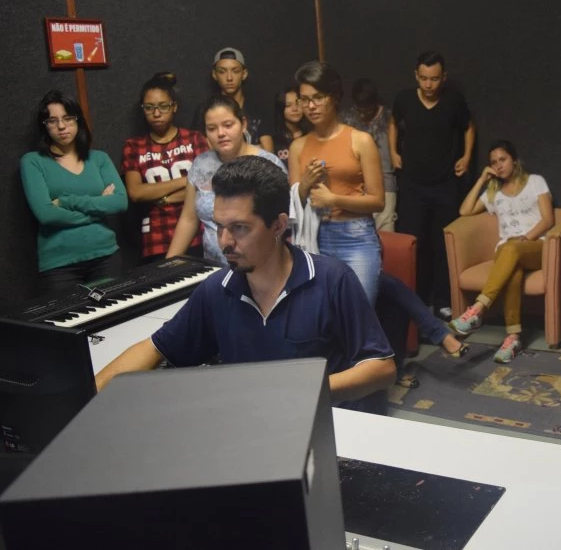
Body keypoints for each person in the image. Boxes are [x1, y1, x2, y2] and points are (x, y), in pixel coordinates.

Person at [95, 156, 396, 413]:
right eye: (219, 226)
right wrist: (85, 400)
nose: (225, 242)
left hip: (322, 425)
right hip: (252, 429)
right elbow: (154, 348)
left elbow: (381, 368)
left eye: (239, 228)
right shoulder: (217, 290)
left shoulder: (332, 279)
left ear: (278, 225)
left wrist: (299, 391)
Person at [448, 140, 554, 363]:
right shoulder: (493, 192)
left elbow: (548, 220)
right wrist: (482, 180)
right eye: (494, 162)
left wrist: (526, 238)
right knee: (512, 270)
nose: (499, 165)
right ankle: (513, 337)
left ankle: (478, 309)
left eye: (503, 160)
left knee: (512, 248)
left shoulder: (535, 181)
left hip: (535, 245)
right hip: (507, 250)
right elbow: (465, 210)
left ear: (514, 160)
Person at [288, 61, 385, 304]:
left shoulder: (360, 140)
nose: (311, 106)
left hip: (356, 236)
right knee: (321, 314)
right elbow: (292, 205)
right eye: (304, 99)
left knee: (358, 312)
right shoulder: (298, 146)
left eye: (318, 98)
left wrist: (333, 199)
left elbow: (378, 201)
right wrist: (304, 186)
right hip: (315, 237)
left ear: (334, 97)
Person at [389, 51, 476, 316]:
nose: (429, 84)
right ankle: (414, 301)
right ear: (416, 76)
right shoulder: (404, 99)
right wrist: (393, 151)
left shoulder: (453, 100)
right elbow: (393, 123)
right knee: (413, 243)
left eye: (434, 79)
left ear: (443, 77)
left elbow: (468, 127)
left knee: (442, 245)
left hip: (445, 184)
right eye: (424, 78)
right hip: (412, 185)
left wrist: (466, 157)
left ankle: (443, 301)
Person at [21, 90, 128, 293]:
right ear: (44, 126)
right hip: (59, 264)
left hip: (105, 256)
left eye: (67, 118)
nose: (61, 126)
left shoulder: (99, 158)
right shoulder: (33, 162)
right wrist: (98, 209)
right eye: (52, 121)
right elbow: (46, 214)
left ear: (78, 120)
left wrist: (65, 201)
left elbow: (120, 202)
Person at [167, 95, 284, 265]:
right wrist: (168, 265)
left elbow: (281, 227)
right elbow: (188, 219)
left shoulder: (268, 165)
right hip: (214, 267)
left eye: (228, 125)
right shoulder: (201, 165)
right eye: (212, 128)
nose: (221, 133)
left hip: (258, 267)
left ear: (243, 124)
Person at [121, 72, 209, 261]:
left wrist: (161, 199)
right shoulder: (134, 146)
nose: (156, 113)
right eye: (149, 108)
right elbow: (136, 192)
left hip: (198, 233)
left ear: (174, 106)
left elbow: (207, 187)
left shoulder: (194, 139)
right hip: (156, 238)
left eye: (163, 106)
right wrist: (187, 180)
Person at [339, 78, 398, 232]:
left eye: (368, 110)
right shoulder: (347, 118)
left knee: (386, 232)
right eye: (359, 110)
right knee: (358, 232)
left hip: (385, 183)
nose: (363, 115)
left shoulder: (388, 118)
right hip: (355, 185)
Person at [197, 47, 274, 152]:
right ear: (214, 75)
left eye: (235, 71)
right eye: (222, 72)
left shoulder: (258, 109)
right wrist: (254, 149)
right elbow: (203, 152)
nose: (229, 78)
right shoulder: (206, 110)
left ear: (244, 74)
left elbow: (268, 153)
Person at [272, 86, 309, 169]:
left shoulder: (312, 134)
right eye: (288, 105)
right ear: (280, 108)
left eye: (298, 103)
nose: (295, 109)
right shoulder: (274, 140)